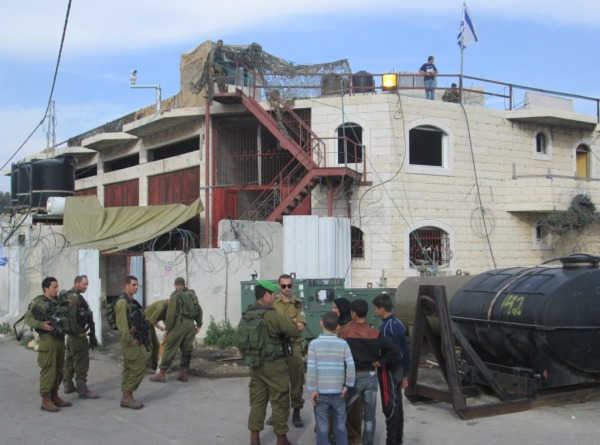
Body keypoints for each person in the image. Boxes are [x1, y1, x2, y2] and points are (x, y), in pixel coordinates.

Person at [240, 279, 300, 445]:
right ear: (266, 295)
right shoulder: (272, 315)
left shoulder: (247, 314)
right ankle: (281, 439)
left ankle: (254, 438)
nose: (274, 298)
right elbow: (294, 331)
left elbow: (240, 340)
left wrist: (249, 358)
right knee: (280, 399)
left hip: (255, 365)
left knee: (258, 401)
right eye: (273, 294)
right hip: (274, 364)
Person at [339, 299, 401, 445]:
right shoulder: (375, 333)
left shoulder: (345, 332)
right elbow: (395, 351)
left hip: (353, 377)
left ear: (353, 314)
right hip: (371, 376)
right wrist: (381, 362)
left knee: (341, 412)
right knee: (369, 416)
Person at [24, 277, 73, 412]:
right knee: (49, 371)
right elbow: (28, 318)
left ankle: (54, 395)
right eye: (54, 287)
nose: (57, 289)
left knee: (58, 370)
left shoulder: (58, 302)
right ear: (46, 288)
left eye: (57, 287)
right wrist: (41, 325)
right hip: (48, 341)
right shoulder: (39, 303)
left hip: (59, 340)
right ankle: (45, 399)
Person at [307, 311, 355, 445]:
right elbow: (351, 365)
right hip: (339, 392)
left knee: (322, 428)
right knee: (340, 426)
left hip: (321, 393)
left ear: (321, 323)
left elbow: (311, 369)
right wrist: (348, 385)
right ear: (338, 327)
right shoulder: (343, 344)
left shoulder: (313, 344)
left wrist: (313, 389)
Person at [268, 273, 307, 428]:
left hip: (294, 347)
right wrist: (290, 322)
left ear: (292, 286)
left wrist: (281, 325)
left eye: (289, 286)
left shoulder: (298, 304)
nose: (286, 289)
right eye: (283, 286)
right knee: (277, 382)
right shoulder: (273, 303)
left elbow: (301, 325)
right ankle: (277, 413)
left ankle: (296, 411)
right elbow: (269, 324)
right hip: (277, 347)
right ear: (279, 286)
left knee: (296, 381)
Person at [373, 294, 410, 445]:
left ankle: (392, 441)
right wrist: (405, 375)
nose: (375, 311)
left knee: (390, 408)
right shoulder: (400, 324)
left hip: (388, 371)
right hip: (399, 370)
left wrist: (380, 362)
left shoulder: (386, 328)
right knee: (398, 406)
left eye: (376, 308)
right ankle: (398, 441)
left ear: (381, 310)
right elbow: (406, 352)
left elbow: (394, 352)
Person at [151, 277, 203, 383]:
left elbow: (171, 314)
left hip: (179, 324)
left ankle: (161, 374)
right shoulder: (192, 294)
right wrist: (199, 324)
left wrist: (167, 328)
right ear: (184, 284)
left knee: (169, 347)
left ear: (175, 285)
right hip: (190, 325)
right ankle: (184, 374)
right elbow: (199, 309)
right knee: (187, 350)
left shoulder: (175, 295)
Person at [115, 275, 151, 409]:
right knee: (139, 367)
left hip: (135, 339)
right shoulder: (122, 303)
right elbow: (123, 327)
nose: (136, 287)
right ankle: (127, 395)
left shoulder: (132, 302)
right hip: (130, 341)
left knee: (129, 367)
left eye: (137, 285)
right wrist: (131, 341)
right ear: (126, 285)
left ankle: (126, 394)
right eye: (133, 285)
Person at [63, 275, 99, 399]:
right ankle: (82, 389)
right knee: (81, 362)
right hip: (77, 336)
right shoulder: (74, 297)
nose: (86, 287)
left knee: (70, 360)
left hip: (71, 335)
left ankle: (68, 385)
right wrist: (78, 332)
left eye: (87, 284)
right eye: (84, 284)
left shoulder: (73, 296)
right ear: (77, 283)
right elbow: (72, 317)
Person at [333, 297, 363, 445]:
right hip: (351, 374)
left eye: (335, 308)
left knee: (349, 409)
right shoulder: (344, 327)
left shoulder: (345, 330)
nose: (332, 310)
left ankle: (352, 438)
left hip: (347, 375)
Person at [144, 298, 169, 374]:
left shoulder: (166, 307)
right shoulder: (160, 306)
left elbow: (165, 319)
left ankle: (154, 364)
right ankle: (147, 366)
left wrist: (168, 329)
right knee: (149, 345)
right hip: (144, 324)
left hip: (149, 324)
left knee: (156, 344)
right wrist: (162, 328)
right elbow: (152, 320)